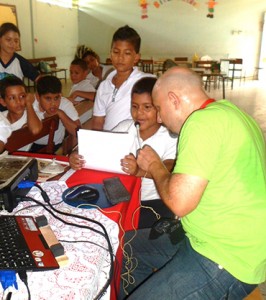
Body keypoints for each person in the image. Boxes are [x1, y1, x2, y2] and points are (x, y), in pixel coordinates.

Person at [121, 67, 266, 299]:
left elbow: (179, 203)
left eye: (158, 109)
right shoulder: (232, 113)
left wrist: (154, 165)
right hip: (213, 238)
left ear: (174, 100)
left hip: (226, 256)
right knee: (126, 247)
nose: (159, 118)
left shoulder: (201, 122)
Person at [69, 77, 177, 227]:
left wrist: (138, 171)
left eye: (147, 107)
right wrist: (77, 156)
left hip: (153, 201)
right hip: (122, 197)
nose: (139, 113)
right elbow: (98, 145)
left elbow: (169, 169)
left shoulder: (170, 136)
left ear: (159, 108)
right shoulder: (125, 127)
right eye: (134, 106)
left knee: (131, 239)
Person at [91, 25, 154, 131]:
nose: (120, 57)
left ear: (136, 57)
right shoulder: (104, 86)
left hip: (136, 143)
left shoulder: (147, 82)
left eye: (127, 53)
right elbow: (98, 122)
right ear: (110, 54)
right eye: (116, 52)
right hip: (109, 142)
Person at [30, 76, 80, 153]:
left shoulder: (64, 103)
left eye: (56, 98)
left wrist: (61, 113)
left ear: (60, 95)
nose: (53, 104)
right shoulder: (30, 105)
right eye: (48, 98)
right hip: (30, 147)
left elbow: (78, 132)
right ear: (37, 97)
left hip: (55, 147)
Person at [0, 76, 42, 151]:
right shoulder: (1, 117)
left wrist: (29, 103)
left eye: (22, 96)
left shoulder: (30, 116)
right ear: (3, 102)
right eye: (12, 98)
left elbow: (35, 130)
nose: (18, 101)